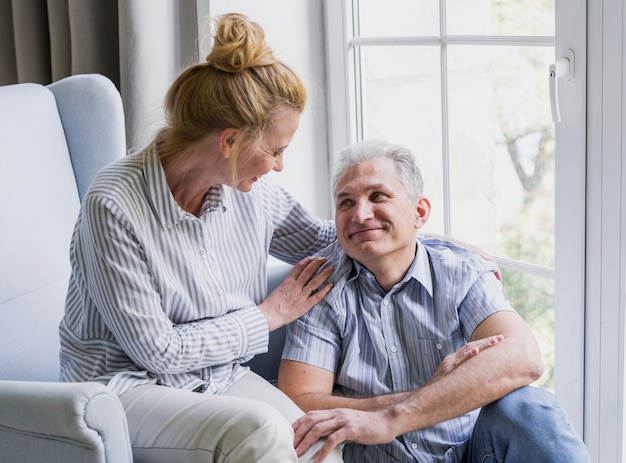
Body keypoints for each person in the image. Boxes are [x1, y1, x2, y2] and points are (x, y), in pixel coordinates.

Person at [58, 12, 343, 463]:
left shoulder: (254, 193)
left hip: (218, 376)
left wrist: (422, 239)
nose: (279, 165)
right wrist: (269, 314)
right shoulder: (112, 205)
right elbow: (158, 352)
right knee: (263, 432)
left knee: (319, 443)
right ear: (229, 142)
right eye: (275, 150)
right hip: (122, 390)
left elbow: (327, 240)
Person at [278, 139, 591, 463]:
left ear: (419, 212)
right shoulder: (319, 284)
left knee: (529, 407)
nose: (360, 214)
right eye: (345, 203)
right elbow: (298, 399)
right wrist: (420, 400)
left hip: (470, 452)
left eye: (377, 196)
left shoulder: (461, 272)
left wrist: (391, 419)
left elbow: (523, 357)